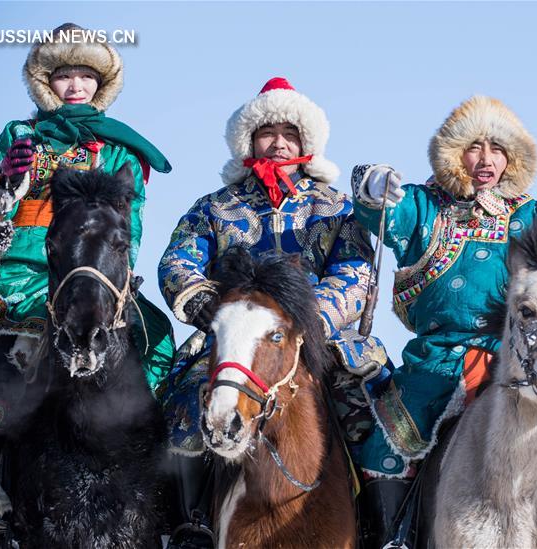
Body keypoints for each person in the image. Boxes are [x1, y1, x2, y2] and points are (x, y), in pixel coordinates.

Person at [351, 96, 537, 547]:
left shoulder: (535, 216)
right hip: (441, 358)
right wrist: (373, 185)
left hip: (525, 352)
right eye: (475, 148)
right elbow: (384, 215)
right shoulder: (424, 205)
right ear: (456, 155)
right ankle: (393, 536)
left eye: (498, 149)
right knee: (386, 443)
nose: (487, 160)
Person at [0, 22, 174, 546]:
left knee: (158, 339)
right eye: (64, 75)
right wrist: (4, 182)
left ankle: (166, 483)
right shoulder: (19, 136)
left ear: (101, 85)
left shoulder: (122, 149)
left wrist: (114, 282)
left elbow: (132, 223)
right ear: (44, 82)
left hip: (94, 282)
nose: (75, 85)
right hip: (18, 280)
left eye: (85, 76)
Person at [156, 76, 374, 548]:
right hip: (232, 340)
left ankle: (383, 526)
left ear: (306, 142)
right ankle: (190, 522)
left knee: (377, 407)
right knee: (181, 406)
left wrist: (309, 321)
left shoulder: (336, 208)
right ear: (249, 141)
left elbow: (356, 272)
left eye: (289, 134)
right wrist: (221, 315)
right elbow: (177, 262)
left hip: (319, 337)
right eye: (267, 133)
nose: (278, 143)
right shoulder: (214, 208)